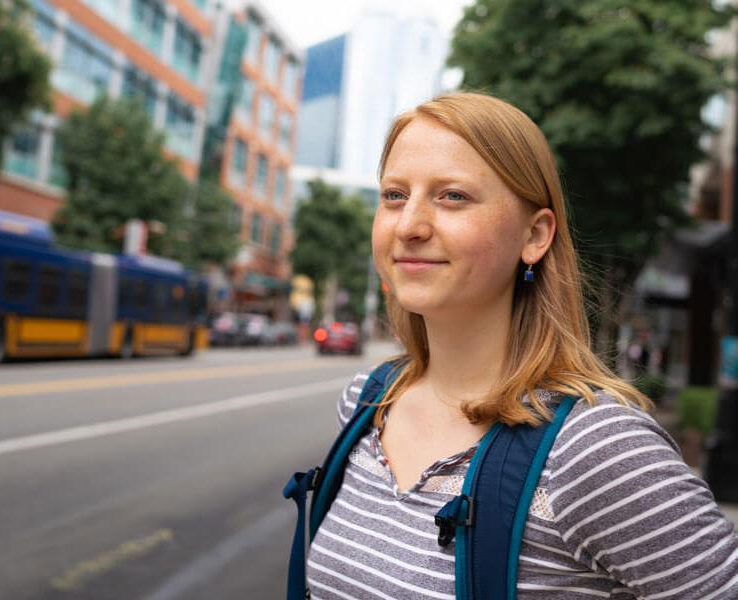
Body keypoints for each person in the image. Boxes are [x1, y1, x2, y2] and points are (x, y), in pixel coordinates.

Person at [305, 92, 738, 599]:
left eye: (453, 196)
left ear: (535, 235)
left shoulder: (597, 449)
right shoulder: (367, 401)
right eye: (394, 195)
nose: (408, 226)